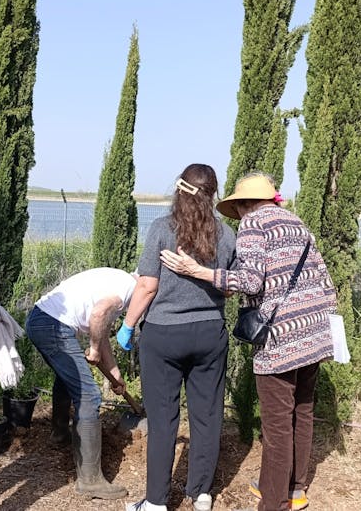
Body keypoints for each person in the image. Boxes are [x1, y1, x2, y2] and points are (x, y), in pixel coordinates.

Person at [160, 172, 338, 511]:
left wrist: (197, 271)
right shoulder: (296, 222)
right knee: (302, 412)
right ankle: (295, 489)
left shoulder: (254, 224)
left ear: (242, 204)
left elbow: (251, 281)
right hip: (315, 331)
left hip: (282, 338)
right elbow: (323, 277)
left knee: (277, 425)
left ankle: (273, 503)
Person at [120, 164, 237, 511]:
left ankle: (156, 502)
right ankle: (200, 493)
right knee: (207, 415)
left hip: (163, 336)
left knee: (163, 420)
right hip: (209, 334)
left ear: (179, 190)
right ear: (213, 195)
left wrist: (127, 326)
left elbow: (147, 285)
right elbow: (229, 288)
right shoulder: (226, 234)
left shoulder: (161, 229)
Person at [25, 267, 136, 500]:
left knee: (67, 380)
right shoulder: (128, 289)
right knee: (89, 396)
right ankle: (90, 481)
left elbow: (102, 332)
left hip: (41, 320)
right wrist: (94, 349)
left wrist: (116, 375)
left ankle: (59, 434)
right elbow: (97, 316)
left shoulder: (119, 280)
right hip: (53, 326)